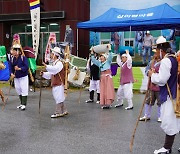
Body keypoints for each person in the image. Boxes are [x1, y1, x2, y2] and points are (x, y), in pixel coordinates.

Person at [148, 36, 180, 154]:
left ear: (161, 50)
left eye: (156, 50)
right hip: (176, 93)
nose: (156, 53)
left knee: (170, 121)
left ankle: (166, 148)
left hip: (170, 95)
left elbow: (162, 79)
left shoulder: (167, 60)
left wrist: (152, 75)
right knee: (177, 120)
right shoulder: (173, 58)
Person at [41, 47, 68, 118]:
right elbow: (51, 73)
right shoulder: (55, 63)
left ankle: (58, 112)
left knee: (59, 97)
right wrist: (43, 74)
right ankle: (63, 110)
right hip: (56, 83)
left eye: (52, 54)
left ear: (55, 55)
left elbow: (55, 70)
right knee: (59, 97)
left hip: (59, 83)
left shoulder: (59, 64)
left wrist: (47, 66)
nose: (50, 55)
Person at [139, 51, 161, 122]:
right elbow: (146, 70)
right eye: (154, 53)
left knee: (160, 102)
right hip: (151, 85)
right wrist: (149, 72)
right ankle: (147, 115)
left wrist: (156, 73)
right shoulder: (151, 62)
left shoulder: (163, 62)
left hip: (160, 86)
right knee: (148, 101)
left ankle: (160, 116)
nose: (155, 55)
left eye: (156, 53)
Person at [9, 44, 29, 110]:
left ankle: (24, 104)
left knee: (24, 89)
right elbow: (10, 67)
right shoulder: (12, 59)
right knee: (18, 89)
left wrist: (19, 68)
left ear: (18, 51)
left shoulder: (23, 58)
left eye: (14, 50)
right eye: (13, 50)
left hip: (23, 76)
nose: (13, 52)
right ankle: (21, 103)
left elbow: (26, 67)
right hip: (16, 76)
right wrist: (11, 73)